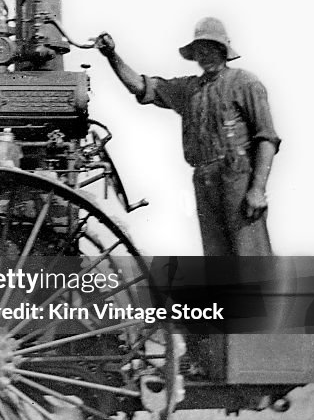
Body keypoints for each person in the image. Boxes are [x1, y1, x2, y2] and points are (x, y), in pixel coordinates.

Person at [94, 17, 280, 256]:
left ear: (223, 50)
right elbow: (141, 86)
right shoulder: (189, 89)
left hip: (238, 176)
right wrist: (112, 55)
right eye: (200, 51)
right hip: (204, 179)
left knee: (251, 258)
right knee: (218, 264)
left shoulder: (245, 83)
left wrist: (257, 190)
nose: (205, 56)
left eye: (211, 49)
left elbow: (267, 138)